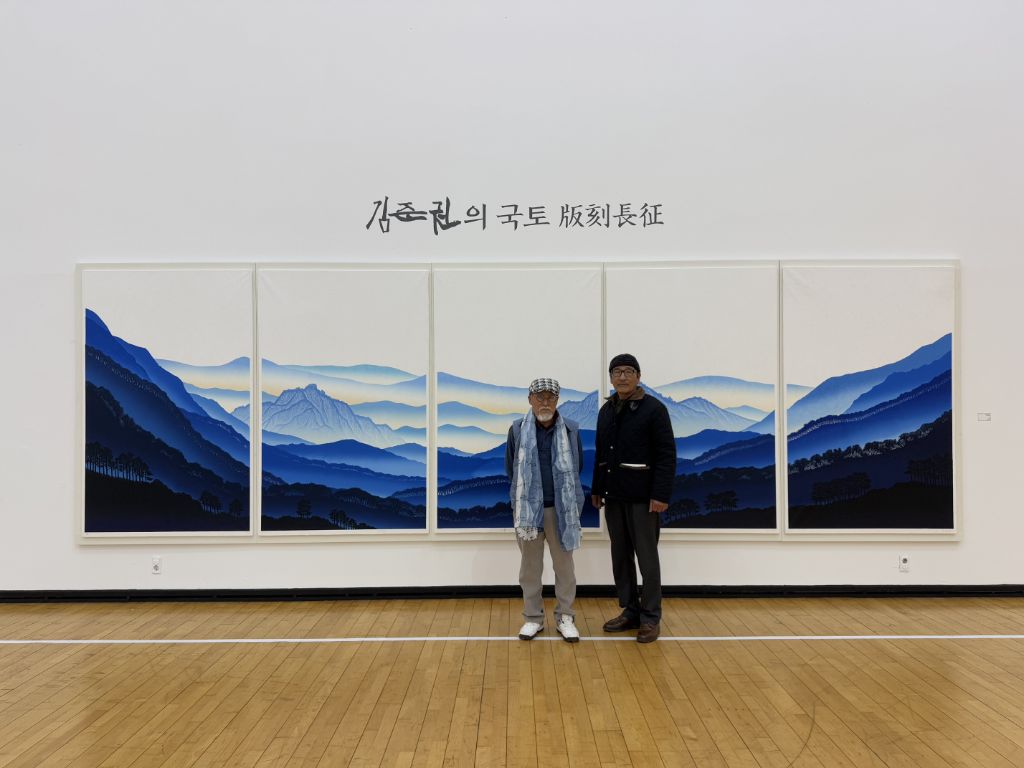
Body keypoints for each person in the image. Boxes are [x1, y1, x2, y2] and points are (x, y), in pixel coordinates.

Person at [591, 354, 676, 643]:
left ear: (639, 376)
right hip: (614, 496)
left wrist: (660, 494)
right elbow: (601, 454)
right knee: (621, 556)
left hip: (643, 498)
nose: (623, 376)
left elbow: (666, 455)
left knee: (647, 559)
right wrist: (597, 488)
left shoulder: (654, 409)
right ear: (611, 377)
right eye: (617, 372)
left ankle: (651, 617)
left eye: (629, 371)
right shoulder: (606, 410)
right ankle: (630, 610)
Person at [505, 377, 585, 643]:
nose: (545, 402)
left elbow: (577, 466)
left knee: (565, 567)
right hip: (528, 510)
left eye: (550, 397)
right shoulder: (517, 429)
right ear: (530, 399)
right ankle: (533, 618)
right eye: (539, 397)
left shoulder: (571, 429)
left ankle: (565, 616)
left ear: (558, 400)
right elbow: (512, 468)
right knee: (529, 568)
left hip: (561, 509)